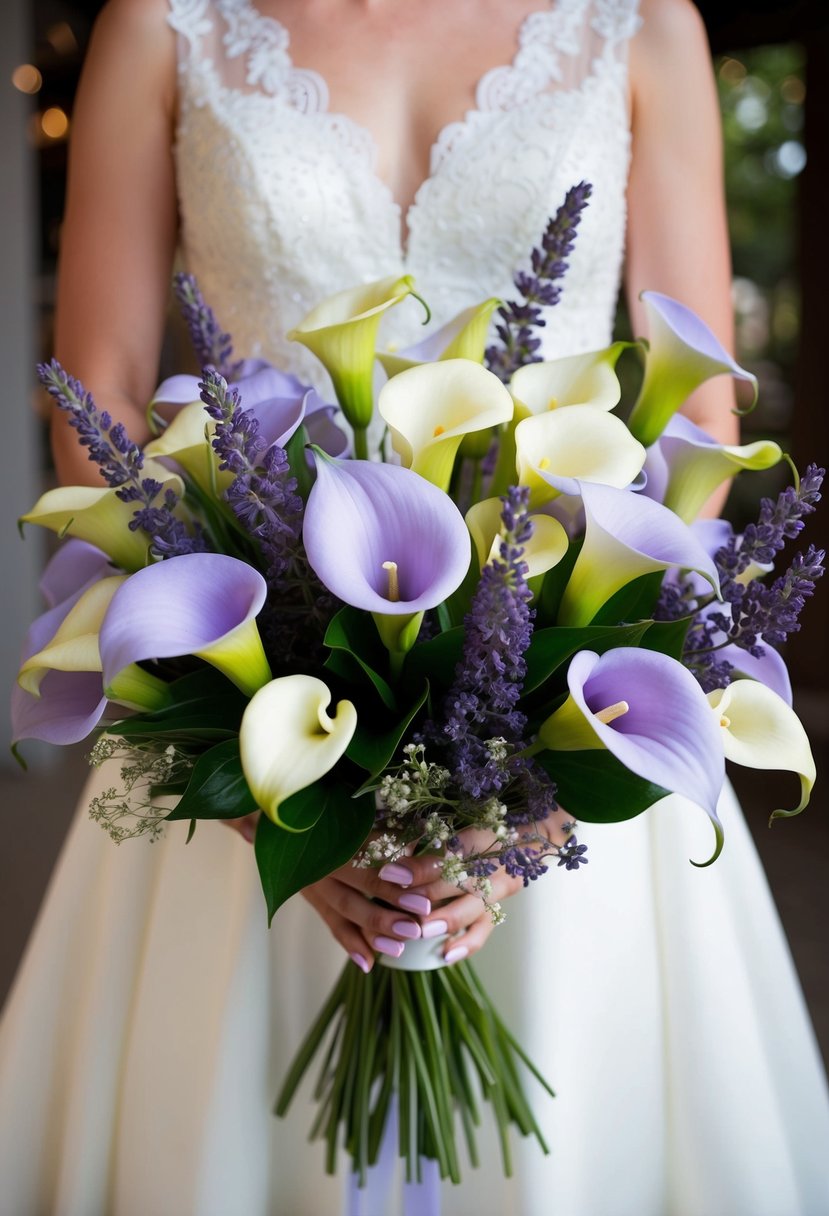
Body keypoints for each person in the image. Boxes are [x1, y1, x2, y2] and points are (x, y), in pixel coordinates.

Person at [1, 0, 828, 1213]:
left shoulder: (639, 23)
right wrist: (275, 809)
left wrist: (537, 818)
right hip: (247, 678)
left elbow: (699, 422)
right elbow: (105, 403)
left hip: (565, 696)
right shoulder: (163, 24)